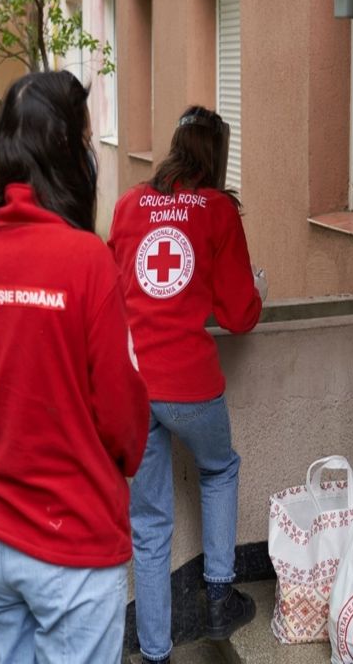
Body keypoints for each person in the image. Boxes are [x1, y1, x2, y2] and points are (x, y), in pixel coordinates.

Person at [0, 70, 150, 663]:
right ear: (68, 154)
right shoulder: (87, 261)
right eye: (87, 141)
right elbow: (121, 417)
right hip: (73, 547)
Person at [108, 106, 266, 664]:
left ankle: (154, 653)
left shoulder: (129, 204)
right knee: (218, 468)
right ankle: (220, 597)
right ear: (217, 155)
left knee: (150, 526)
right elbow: (241, 313)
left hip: (131, 386)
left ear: (174, 146)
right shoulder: (218, 211)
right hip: (189, 384)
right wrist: (256, 291)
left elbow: (115, 289)